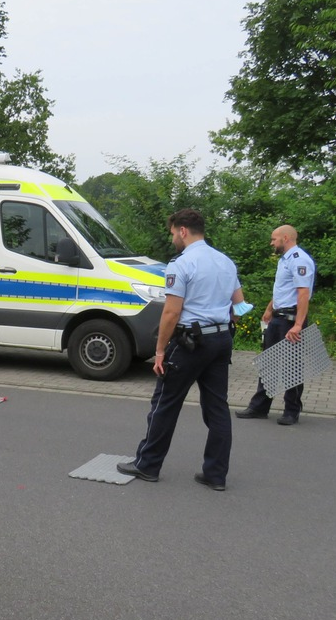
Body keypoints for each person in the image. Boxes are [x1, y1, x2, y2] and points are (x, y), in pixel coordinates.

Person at [117, 208, 245, 492]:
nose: (172, 237)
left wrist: (160, 351)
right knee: (217, 408)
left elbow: (171, 313)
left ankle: (148, 465)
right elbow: (240, 305)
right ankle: (215, 474)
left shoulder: (180, 264)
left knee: (165, 403)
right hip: (221, 340)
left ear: (183, 231)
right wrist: (225, 323)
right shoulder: (225, 261)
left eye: (173, 232)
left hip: (190, 343)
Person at [236, 224, 316, 426]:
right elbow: (283, 289)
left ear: (286, 238)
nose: (272, 242)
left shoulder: (300, 260)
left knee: (292, 366)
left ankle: (292, 410)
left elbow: (303, 293)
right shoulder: (284, 260)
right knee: (268, 362)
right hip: (278, 317)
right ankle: (260, 407)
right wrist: (270, 308)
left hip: (291, 320)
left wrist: (298, 325)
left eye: (274, 239)